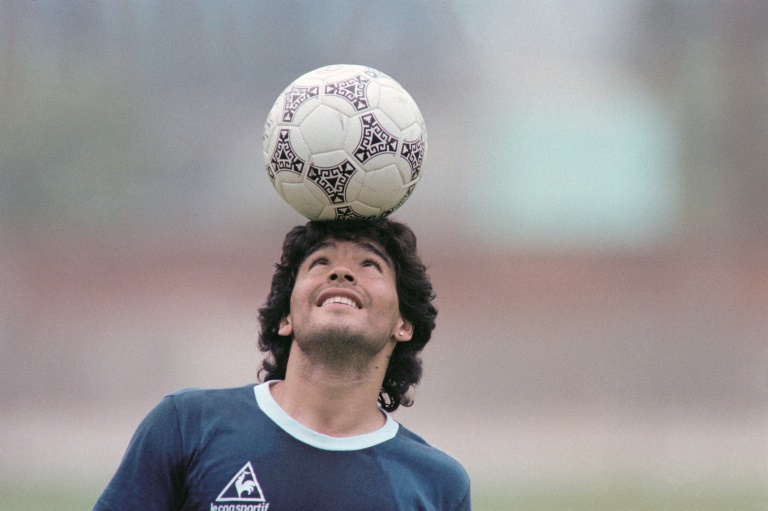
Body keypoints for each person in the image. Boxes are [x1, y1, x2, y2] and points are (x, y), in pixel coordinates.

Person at [93, 219, 471, 510]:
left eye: (370, 264)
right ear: (285, 317)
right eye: (320, 262)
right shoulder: (186, 425)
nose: (341, 273)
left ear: (404, 324)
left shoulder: (438, 484)